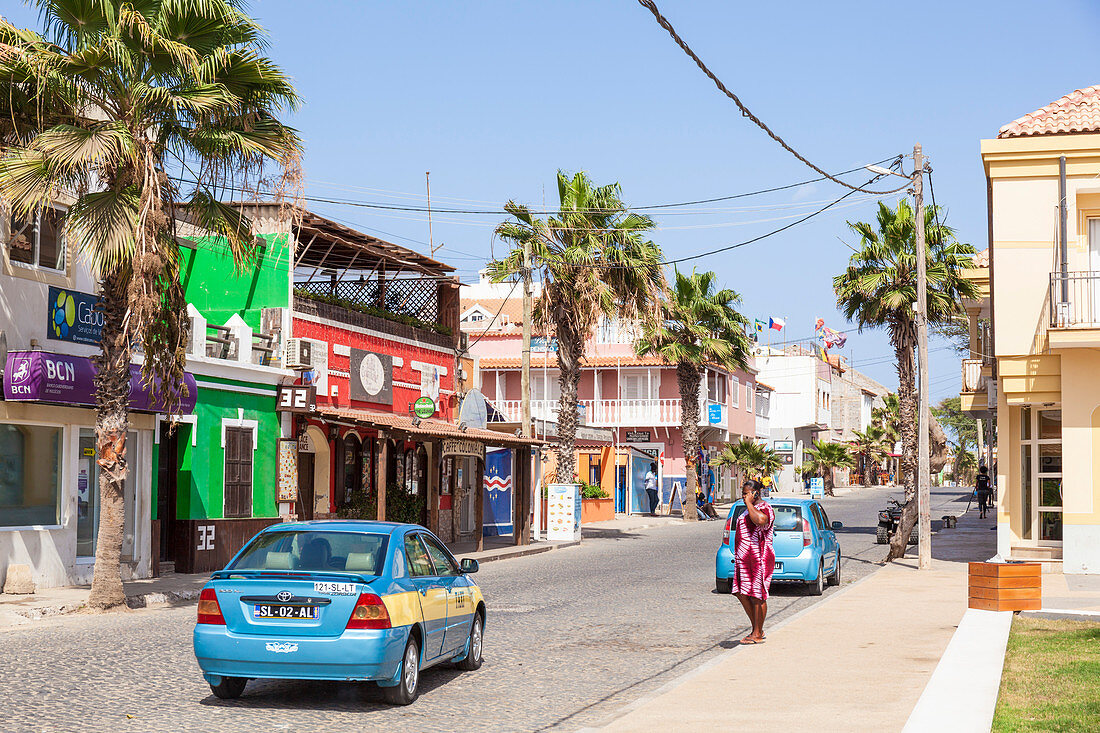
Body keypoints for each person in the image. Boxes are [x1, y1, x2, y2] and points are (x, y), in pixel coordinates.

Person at [733, 480, 775, 645]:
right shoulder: (745, 511)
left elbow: (760, 520)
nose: (744, 497)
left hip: (759, 559)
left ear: (756, 493)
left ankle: (757, 633)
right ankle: (757, 628)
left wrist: (750, 504)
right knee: (741, 593)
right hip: (744, 560)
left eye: (746, 493)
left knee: (758, 596)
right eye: (743, 494)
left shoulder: (765, 508)